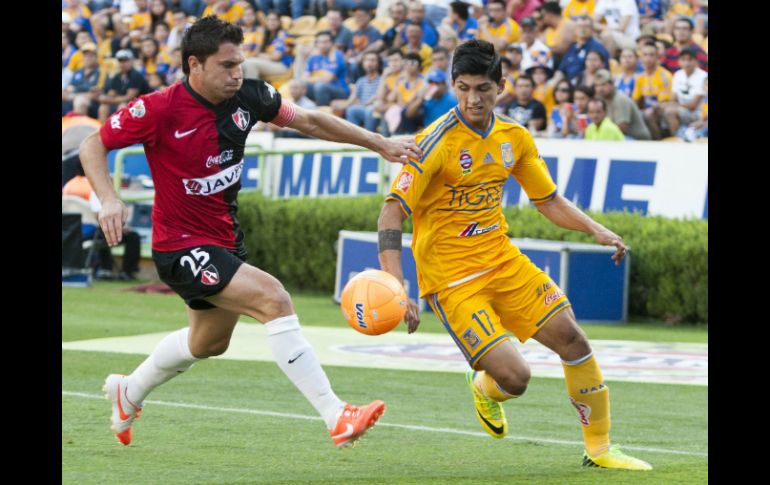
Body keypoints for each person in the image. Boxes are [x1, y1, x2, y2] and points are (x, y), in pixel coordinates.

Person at [79, 15, 422, 448]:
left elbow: (310, 121)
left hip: (224, 240)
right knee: (275, 300)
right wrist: (109, 198)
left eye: (240, 63)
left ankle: (129, 392)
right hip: (180, 245)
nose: (237, 73)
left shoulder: (252, 95)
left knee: (208, 343)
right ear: (194, 65)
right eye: (226, 65)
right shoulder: (160, 108)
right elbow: (94, 144)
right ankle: (336, 415)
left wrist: (380, 142)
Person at [376, 39, 652, 471]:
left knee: (574, 340)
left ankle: (600, 449)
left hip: (504, 261)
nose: (473, 98)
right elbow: (391, 213)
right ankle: (484, 386)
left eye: (483, 88)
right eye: (464, 87)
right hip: (452, 280)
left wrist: (595, 229)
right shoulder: (434, 143)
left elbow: (549, 200)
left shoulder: (515, 137)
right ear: (453, 85)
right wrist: (395, 284)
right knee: (516, 379)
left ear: (501, 86)